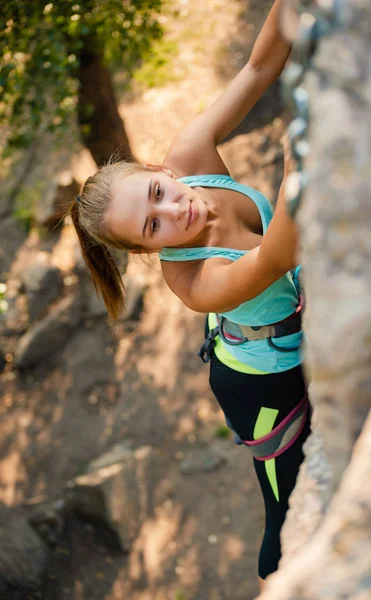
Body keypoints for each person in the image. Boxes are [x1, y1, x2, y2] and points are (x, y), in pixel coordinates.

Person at [69, 0, 311, 590]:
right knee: (289, 498)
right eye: (153, 226)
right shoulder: (192, 284)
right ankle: (279, 576)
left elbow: (257, 70)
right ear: (149, 251)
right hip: (261, 381)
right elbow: (279, 251)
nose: (174, 210)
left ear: (162, 169)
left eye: (156, 191)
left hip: (285, 320)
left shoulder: (191, 159)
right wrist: (306, 144)